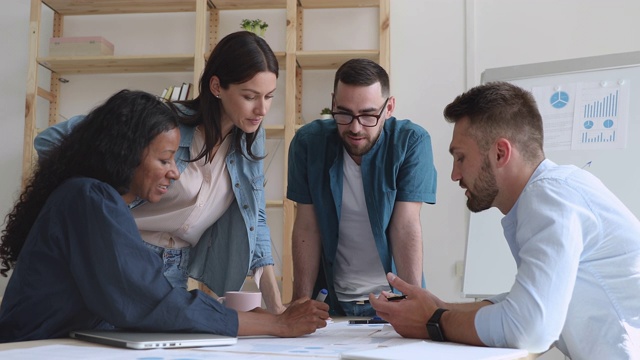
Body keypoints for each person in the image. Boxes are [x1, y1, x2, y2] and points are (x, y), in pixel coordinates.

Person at [0, 90, 329, 342]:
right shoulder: (90, 200)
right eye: (165, 159)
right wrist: (275, 323)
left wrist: (251, 315)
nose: (174, 173)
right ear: (126, 152)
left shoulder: (95, 200)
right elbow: (151, 302)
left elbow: (148, 299)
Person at [370, 82, 640, 359]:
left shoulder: (550, 196)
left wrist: (433, 322)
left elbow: (532, 327)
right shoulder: (556, 190)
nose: (454, 174)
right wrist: (438, 306)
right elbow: (523, 303)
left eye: (461, 158)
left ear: (500, 153)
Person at [34, 31, 286, 314]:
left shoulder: (250, 138)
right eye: (250, 96)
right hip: (120, 253)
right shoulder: (165, 123)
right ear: (217, 86)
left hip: (175, 267)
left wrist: (277, 308)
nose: (261, 109)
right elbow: (48, 141)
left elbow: (256, 217)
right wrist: (94, 204)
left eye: (269, 96)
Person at [287, 58, 437, 316]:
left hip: (392, 301)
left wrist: (414, 303)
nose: (355, 128)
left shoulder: (411, 142)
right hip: (329, 300)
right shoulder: (308, 143)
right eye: (344, 113)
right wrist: (300, 301)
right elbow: (307, 226)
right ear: (333, 103)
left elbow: (406, 226)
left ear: (388, 108)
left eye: (368, 115)